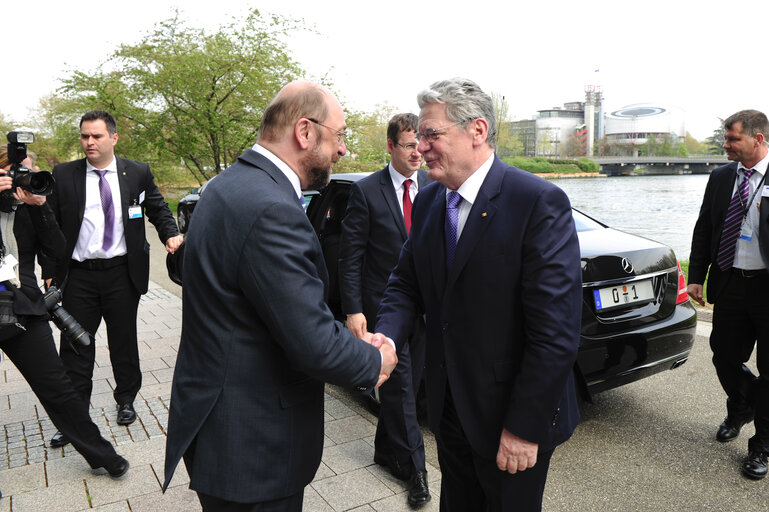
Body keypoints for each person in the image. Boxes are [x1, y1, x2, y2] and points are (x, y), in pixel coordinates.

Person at [163, 80, 397, 511]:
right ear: (305, 132)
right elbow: (312, 341)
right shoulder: (273, 209)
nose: (343, 150)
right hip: (253, 447)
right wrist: (375, 359)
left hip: (217, 425)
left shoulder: (224, 185)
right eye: (340, 135)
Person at [374, 78, 583, 511]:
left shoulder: (538, 202)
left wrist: (524, 428)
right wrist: (388, 340)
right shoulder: (432, 200)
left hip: (510, 418)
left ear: (478, 130)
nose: (421, 146)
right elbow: (406, 282)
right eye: (418, 135)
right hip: (449, 408)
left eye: (432, 135)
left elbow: (555, 333)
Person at [43, 110, 183, 448]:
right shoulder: (64, 175)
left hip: (122, 273)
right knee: (76, 346)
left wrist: (171, 234)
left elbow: (158, 208)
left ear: (114, 138)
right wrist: (49, 273)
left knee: (123, 340)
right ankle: (74, 417)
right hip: (78, 276)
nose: (89, 142)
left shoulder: (136, 172)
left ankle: (126, 400)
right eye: (84, 137)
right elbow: (49, 224)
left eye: (96, 136)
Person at [0, 145, 129, 478]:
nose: (25, 178)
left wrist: (40, 208)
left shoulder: (27, 207)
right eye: (18, 173)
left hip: (23, 308)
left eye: (28, 171)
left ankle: (102, 454)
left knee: (58, 387)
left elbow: (58, 250)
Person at [339, 113, 431, 506]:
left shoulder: (433, 185)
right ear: (391, 147)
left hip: (426, 311)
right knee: (404, 390)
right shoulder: (366, 191)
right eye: (410, 145)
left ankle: (383, 450)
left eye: (421, 144)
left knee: (402, 388)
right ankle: (418, 472)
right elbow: (351, 256)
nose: (418, 153)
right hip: (384, 311)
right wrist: (353, 309)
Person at [688, 109, 769, 480]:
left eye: (733, 138)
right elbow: (705, 226)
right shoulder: (721, 177)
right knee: (723, 355)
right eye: (726, 137)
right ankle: (742, 405)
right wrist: (696, 276)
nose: (726, 145)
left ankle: (762, 448)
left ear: (758, 139)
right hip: (730, 283)